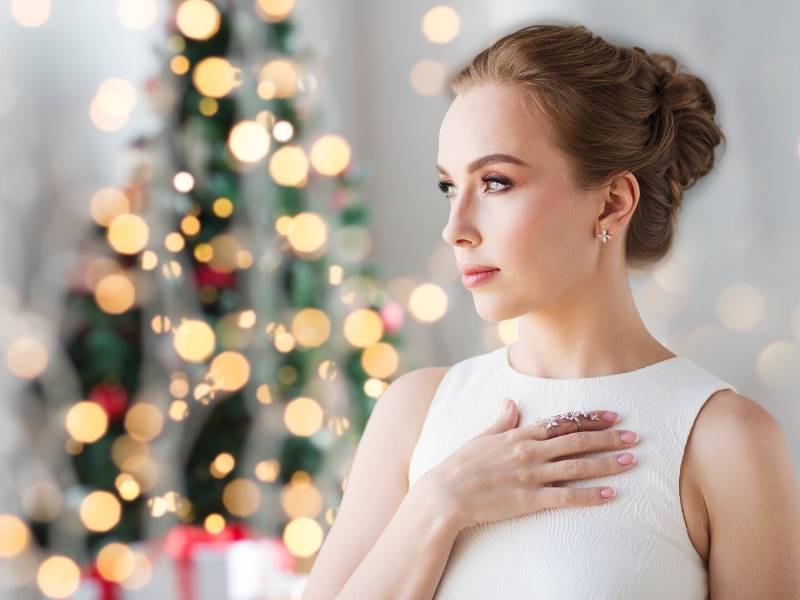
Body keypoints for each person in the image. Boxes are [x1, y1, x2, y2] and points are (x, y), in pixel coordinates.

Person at [302, 22, 800, 599]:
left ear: (613, 202)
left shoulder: (724, 441)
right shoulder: (415, 413)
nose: (455, 228)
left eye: (494, 182)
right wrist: (439, 504)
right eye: (448, 186)